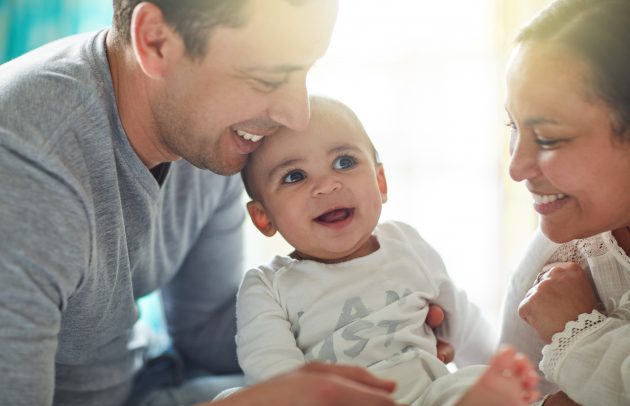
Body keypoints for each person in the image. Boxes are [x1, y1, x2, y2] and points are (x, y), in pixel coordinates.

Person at [0, 1, 439, 405]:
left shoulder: (211, 136)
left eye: (305, 71)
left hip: (152, 383)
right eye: (267, 78)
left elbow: (201, 328)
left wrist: (359, 326)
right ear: (156, 41)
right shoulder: (25, 167)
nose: (296, 115)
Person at [231, 95, 540, 405]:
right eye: (294, 176)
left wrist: (495, 367)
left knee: (468, 381)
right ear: (263, 217)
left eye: (344, 162)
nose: (327, 185)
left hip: (428, 393)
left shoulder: (405, 244)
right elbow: (272, 372)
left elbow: (460, 321)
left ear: (380, 181)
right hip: (339, 400)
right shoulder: (267, 285)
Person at [498, 0, 630, 405]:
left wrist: (577, 330)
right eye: (513, 127)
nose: (516, 169)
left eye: (549, 137)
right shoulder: (558, 256)